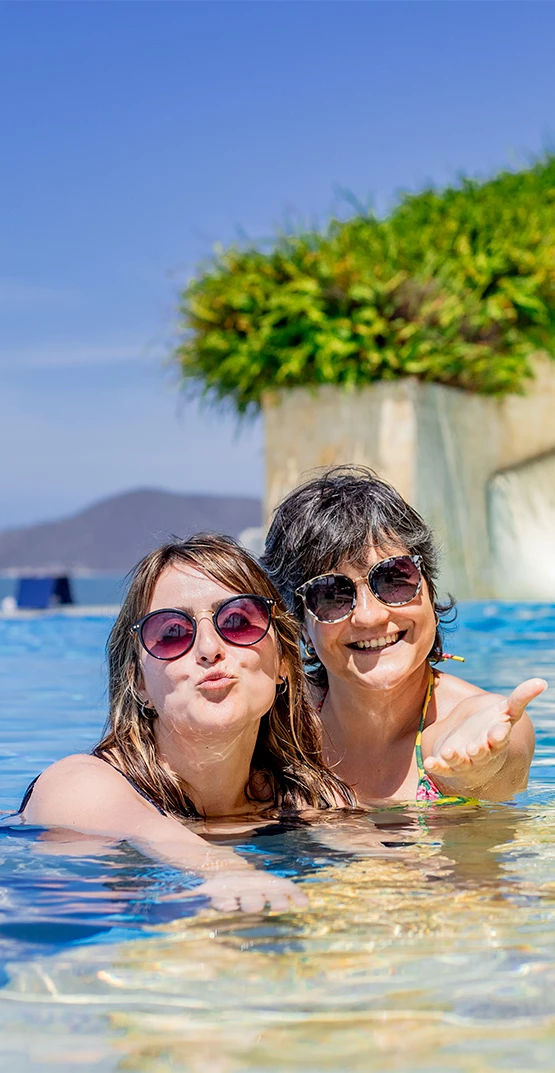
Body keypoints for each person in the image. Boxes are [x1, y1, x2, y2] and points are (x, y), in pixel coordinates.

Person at [20, 533, 354, 912]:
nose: (209, 648)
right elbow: (133, 825)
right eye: (172, 633)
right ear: (139, 682)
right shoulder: (80, 784)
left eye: (238, 621)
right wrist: (222, 868)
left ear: (282, 662)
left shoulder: (307, 798)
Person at [263, 466, 545, 805]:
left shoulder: (477, 719)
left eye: (394, 579)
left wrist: (481, 768)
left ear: (429, 589)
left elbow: (507, 758)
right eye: (331, 595)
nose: (370, 616)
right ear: (301, 624)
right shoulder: (280, 722)